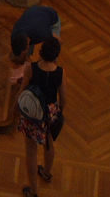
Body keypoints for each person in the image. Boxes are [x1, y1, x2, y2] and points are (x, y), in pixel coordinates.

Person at [17, 36, 65, 195]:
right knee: (49, 142)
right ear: (56, 55)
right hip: (49, 112)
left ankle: (33, 190)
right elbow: (63, 99)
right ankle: (46, 172)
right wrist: (57, 114)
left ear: (41, 51)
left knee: (31, 150)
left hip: (33, 113)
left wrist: (15, 108)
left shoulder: (31, 68)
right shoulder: (60, 73)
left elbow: (23, 90)